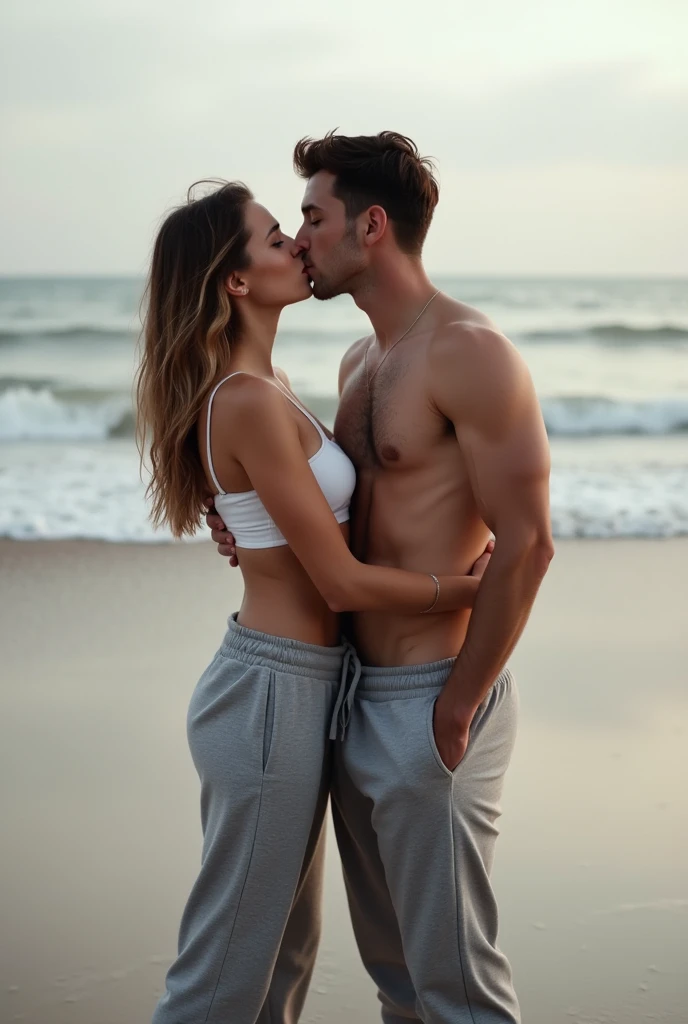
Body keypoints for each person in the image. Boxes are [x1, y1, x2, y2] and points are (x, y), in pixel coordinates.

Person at [208, 132, 555, 1023]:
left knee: (459, 990)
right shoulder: (357, 364)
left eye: (314, 219)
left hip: (435, 696)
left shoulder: (471, 352)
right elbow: (340, 515)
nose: (300, 238)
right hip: (354, 697)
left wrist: (458, 704)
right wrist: (246, 529)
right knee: (399, 981)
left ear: (370, 226)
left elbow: (529, 544)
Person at [136, 179, 494, 1024]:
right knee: (225, 973)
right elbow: (337, 581)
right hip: (270, 695)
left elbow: (294, 528)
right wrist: (471, 587)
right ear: (234, 282)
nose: (296, 246)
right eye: (272, 239)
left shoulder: (274, 383)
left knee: (284, 959)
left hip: (306, 688)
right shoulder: (252, 401)